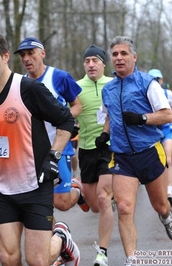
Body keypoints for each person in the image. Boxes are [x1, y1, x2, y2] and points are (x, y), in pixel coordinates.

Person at [0, 31, 80, 266]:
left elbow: (66, 121)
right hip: (3, 190)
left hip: (36, 185)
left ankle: (62, 238)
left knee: (38, 261)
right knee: (8, 257)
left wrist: (54, 156)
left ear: (5, 56)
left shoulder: (28, 89)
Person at [98, 36, 172, 266]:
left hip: (149, 152)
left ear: (134, 57)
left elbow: (167, 115)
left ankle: (166, 217)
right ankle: (132, 260)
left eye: (124, 53)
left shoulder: (148, 83)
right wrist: (105, 134)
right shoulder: (108, 89)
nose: (119, 58)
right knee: (124, 208)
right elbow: (108, 116)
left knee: (160, 205)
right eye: (115, 54)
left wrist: (142, 118)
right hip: (123, 156)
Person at [14, 36, 87, 214]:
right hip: (31, 152)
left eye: (31, 53)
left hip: (58, 147)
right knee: (38, 202)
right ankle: (52, 238)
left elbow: (77, 106)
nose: (26, 59)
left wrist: (61, 117)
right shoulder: (20, 83)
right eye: (22, 55)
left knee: (62, 203)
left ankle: (76, 187)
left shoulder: (59, 77)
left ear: (42, 53)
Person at [76, 44, 115, 266]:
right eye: (87, 61)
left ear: (103, 64)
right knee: (94, 206)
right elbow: (67, 109)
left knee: (103, 197)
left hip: (109, 148)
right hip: (86, 149)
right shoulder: (76, 87)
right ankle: (79, 190)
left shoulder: (113, 84)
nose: (91, 64)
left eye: (95, 60)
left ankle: (102, 253)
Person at [147, 69, 172, 206]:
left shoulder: (168, 93)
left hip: (166, 129)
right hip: (153, 130)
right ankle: (159, 190)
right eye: (153, 79)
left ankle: (169, 192)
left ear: (162, 80)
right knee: (156, 162)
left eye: (158, 79)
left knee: (169, 159)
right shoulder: (145, 92)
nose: (156, 82)